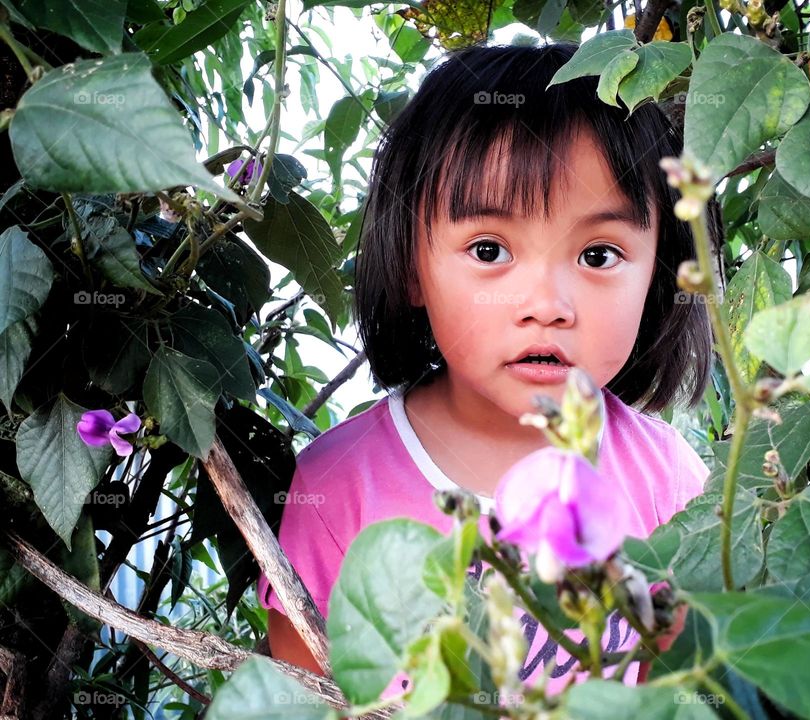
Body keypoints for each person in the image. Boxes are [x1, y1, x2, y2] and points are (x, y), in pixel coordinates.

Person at [258, 40, 717, 700]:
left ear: (659, 272)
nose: (547, 307)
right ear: (413, 265)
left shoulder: (671, 482)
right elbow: (300, 702)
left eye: (598, 255)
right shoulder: (334, 490)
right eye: (489, 248)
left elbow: (680, 693)